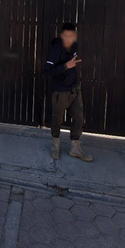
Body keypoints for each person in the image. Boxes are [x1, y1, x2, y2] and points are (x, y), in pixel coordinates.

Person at [44, 22, 93, 162]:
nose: (68, 39)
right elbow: (47, 72)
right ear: (62, 35)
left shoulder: (75, 46)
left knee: (79, 118)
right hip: (60, 91)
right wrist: (66, 66)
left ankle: (75, 147)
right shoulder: (55, 49)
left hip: (74, 89)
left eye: (71, 36)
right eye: (66, 36)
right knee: (57, 119)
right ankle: (56, 144)